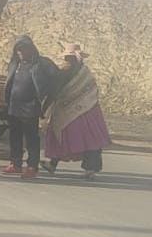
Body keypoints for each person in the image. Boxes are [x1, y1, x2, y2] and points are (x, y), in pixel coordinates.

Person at [40, 44, 111, 180]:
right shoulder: (85, 73)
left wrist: (43, 108)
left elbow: (53, 92)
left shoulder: (64, 73)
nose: (65, 60)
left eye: (67, 58)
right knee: (90, 139)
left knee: (61, 134)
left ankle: (54, 163)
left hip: (74, 111)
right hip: (88, 109)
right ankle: (89, 168)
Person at [2, 35, 57, 179]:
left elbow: (56, 80)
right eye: (18, 49)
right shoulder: (15, 64)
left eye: (23, 49)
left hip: (30, 107)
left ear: (31, 49)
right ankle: (16, 164)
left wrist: (46, 101)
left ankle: (32, 166)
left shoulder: (41, 64)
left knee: (31, 138)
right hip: (14, 106)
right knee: (15, 136)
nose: (20, 52)